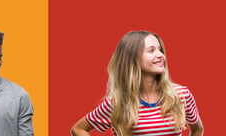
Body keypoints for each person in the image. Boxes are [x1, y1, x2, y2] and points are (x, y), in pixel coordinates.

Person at [70, 31, 204, 136]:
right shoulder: (117, 103)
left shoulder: (181, 95)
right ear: (133, 59)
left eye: (160, 49)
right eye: (151, 50)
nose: (161, 55)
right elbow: (78, 129)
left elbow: (198, 129)